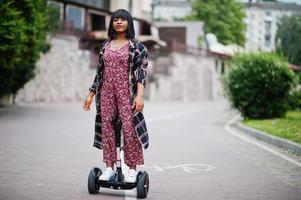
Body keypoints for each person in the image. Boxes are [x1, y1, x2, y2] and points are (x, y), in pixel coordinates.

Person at [82, 9, 148, 183]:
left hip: (127, 93)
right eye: (115, 19)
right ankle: (110, 167)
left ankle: (132, 169)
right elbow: (99, 72)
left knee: (129, 129)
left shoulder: (137, 47)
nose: (118, 22)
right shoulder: (106, 45)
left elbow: (141, 73)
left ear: (129, 23)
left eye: (122, 19)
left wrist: (139, 97)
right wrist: (90, 94)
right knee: (108, 129)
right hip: (106, 93)